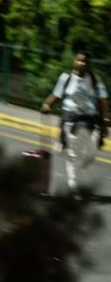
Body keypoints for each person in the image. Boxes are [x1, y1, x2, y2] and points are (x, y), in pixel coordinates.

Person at [40, 50, 109, 190]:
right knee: (75, 153)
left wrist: (105, 121)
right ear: (74, 61)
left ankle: (66, 148)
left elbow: (103, 101)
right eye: (79, 60)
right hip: (71, 120)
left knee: (91, 154)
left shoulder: (95, 80)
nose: (81, 63)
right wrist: (47, 105)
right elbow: (56, 94)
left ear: (89, 64)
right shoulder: (66, 78)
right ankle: (74, 186)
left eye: (84, 61)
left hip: (91, 121)